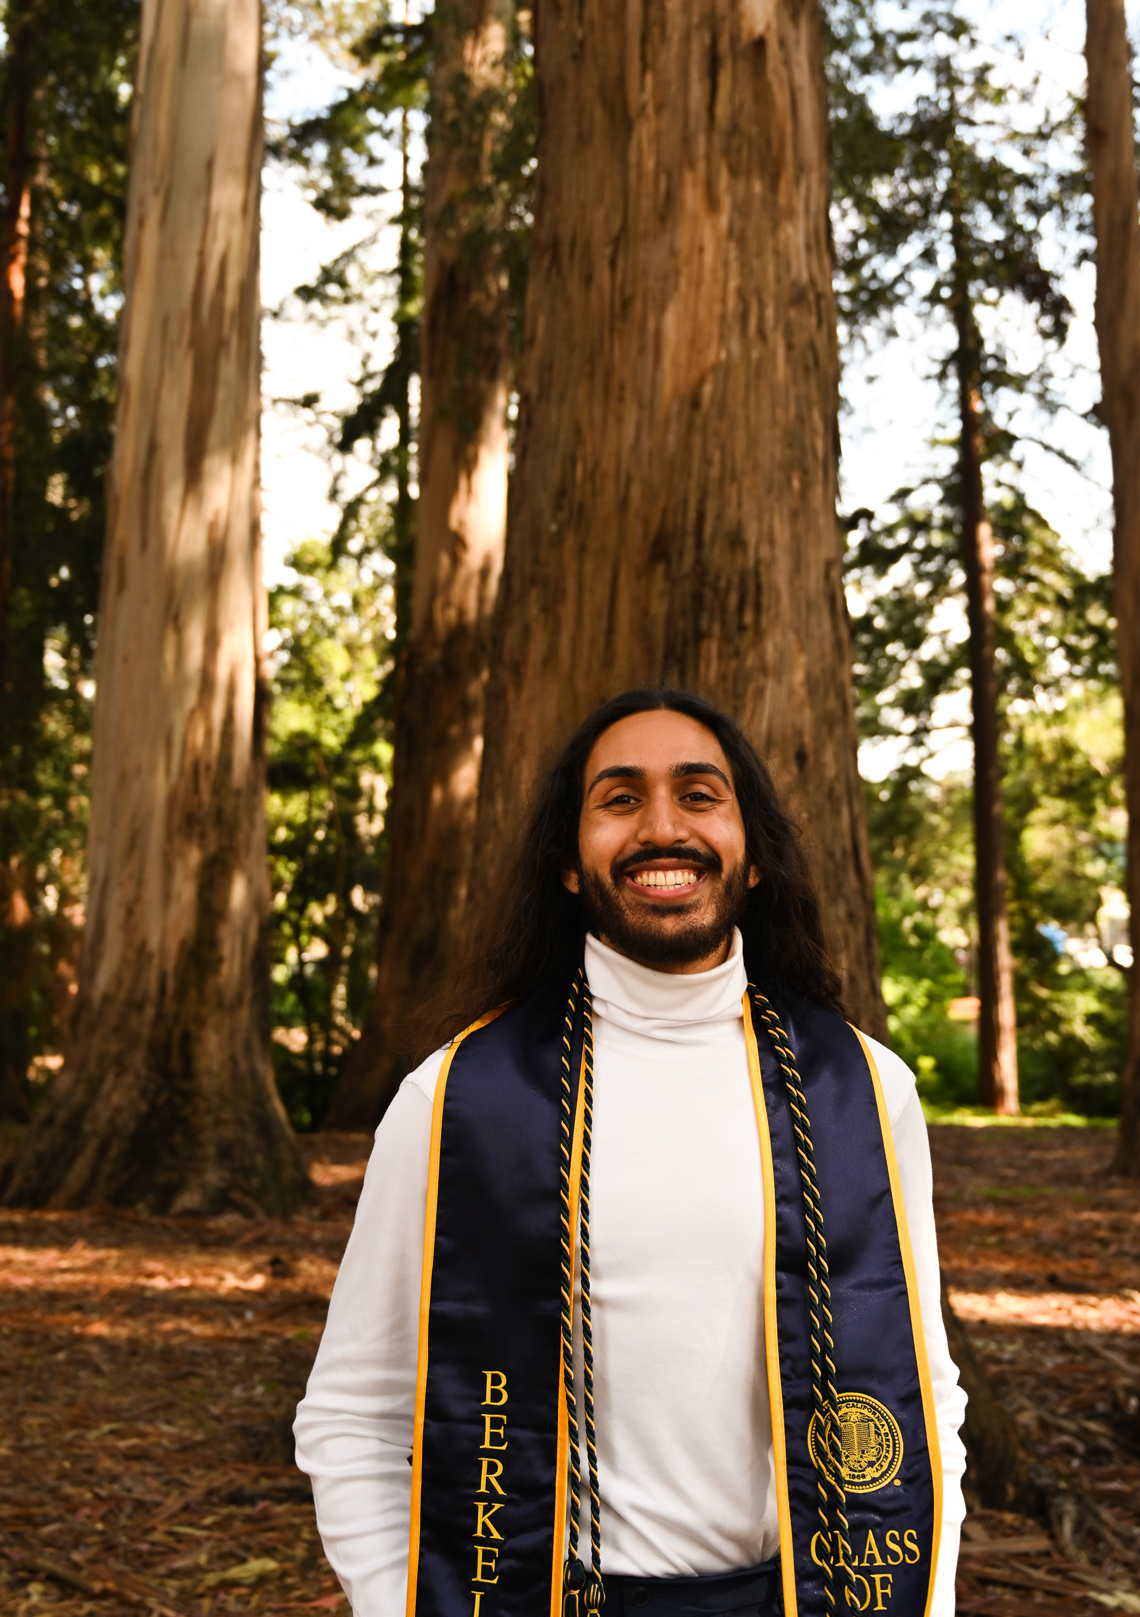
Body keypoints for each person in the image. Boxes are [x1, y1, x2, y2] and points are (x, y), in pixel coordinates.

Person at [295, 689, 967, 1617]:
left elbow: (924, 1393)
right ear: (570, 863)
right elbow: (354, 1415)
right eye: (619, 799)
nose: (662, 827)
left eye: (699, 795)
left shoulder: (861, 1090)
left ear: (754, 852)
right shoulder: (459, 1098)